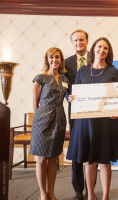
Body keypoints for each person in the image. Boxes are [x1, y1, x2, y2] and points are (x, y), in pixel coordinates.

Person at [67, 37, 118, 200]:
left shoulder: (113, 71)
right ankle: (90, 195)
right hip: (85, 122)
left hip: (106, 122)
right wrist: (71, 98)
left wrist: (116, 110)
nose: (102, 50)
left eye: (105, 48)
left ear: (108, 52)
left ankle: (105, 196)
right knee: (89, 161)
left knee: (104, 161)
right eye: (99, 46)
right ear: (93, 49)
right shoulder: (82, 71)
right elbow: (75, 93)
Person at [30, 47, 68, 200]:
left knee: (53, 157)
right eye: (51, 57)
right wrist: (38, 121)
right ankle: (42, 193)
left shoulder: (65, 79)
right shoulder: (40, 78)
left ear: (61, 59)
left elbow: (69, 96)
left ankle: (51, 192)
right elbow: (35, 102)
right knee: (41, 158)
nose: (55, 60)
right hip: (42, 119)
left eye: (57, 57)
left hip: (59, 119)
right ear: (47, 59)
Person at [65, 29, 97, 200]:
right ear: (72, 42)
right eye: (76, 40)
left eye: (82, 40)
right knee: (77, 149)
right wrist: (66, 96)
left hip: (94, 110)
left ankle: (91, 189)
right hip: (75, 110)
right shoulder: (66, 62)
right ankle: (78, 189)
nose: (79, 42)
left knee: (93, 149)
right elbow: (62, 84)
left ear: (87, 41)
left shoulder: (96, 58)